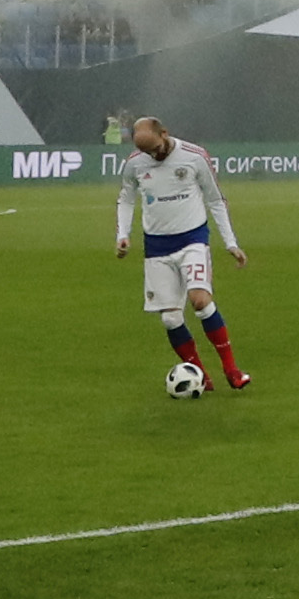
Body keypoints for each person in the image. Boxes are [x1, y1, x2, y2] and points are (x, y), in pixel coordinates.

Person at [112, 114, 254, 393]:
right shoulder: (135, 163)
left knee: (200, 301)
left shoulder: (194, 156)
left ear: (164, 133)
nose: (153, 155)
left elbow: (215, 199)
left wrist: (230, 242)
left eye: (155, 148)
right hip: (156, 247)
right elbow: (126, 199)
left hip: (192, 240)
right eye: (146, 152)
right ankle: (201, 377)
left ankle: (231, 369)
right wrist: (123, 235)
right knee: (170, 319)